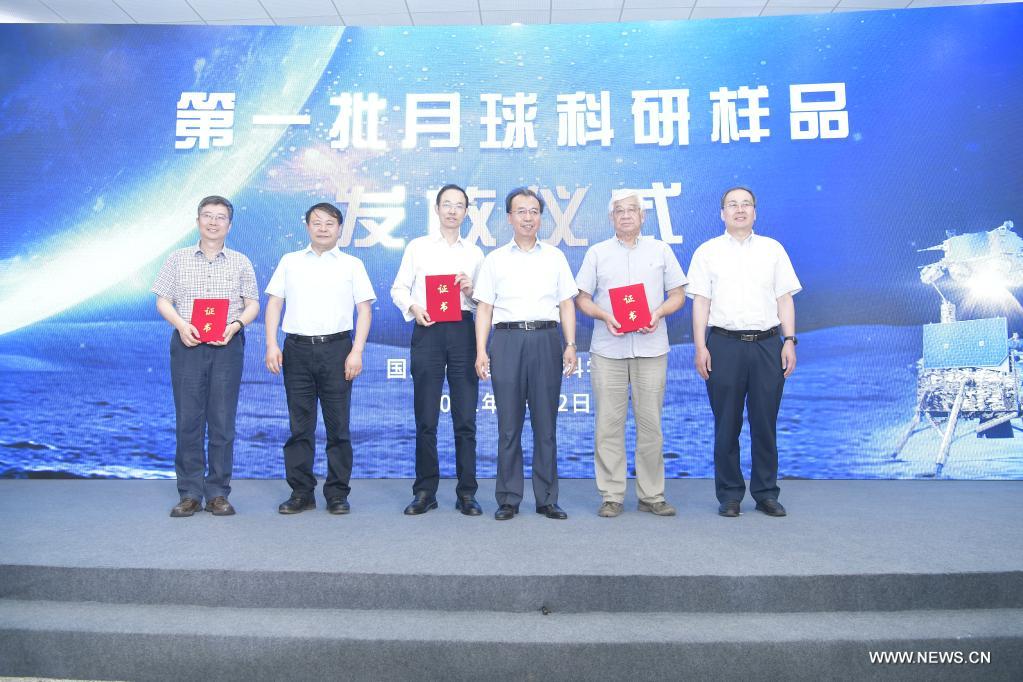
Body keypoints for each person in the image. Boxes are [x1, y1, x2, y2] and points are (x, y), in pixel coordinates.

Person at [687, 187, 800, 518]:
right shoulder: (707, 252)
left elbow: (784, 299)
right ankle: (730, 494)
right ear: (722, 213)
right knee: (727, 424)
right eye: (732, 205)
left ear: (755, 212)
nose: (739, 210)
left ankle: (766, 493)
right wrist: (700, 346)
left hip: (767, 345)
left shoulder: (772, 249)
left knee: (765, 423)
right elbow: (701, 303)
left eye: (746, 204)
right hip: (724, 345)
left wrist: (789, 340)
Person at [575, 189, 687, 518]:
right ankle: (611, 495)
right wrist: (604, 315)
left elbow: (678, 294)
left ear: (642, 216)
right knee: (608, 425)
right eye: (619, 211)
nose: (625, 215)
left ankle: (652, 495)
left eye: (631, 210)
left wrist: (658, 313)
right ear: (611, 217)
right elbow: (581, 298)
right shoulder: (597, 253)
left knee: (651, 425)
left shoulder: (660, 250)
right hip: (608, 351)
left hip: (651, 349)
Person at [474, 188, 578, 521]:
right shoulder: (495, 259)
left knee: (546, 425)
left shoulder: (555, 257)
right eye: (521, 211)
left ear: (541, 218)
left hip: (547, 339)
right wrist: (481, 350)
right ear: (509, 218)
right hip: (506, 341)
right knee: (509, 426)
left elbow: (566, 303)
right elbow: (485, 308)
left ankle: (547, 498)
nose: (528, 217)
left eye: (534, 211)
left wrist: (570, 344)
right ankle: (508, 498)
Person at [264, 202, 375, 515]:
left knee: (338, 427)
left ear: (339, 229)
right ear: (307, 226)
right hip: (296, 350)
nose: (323, 228)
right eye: (317, 222)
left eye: (329, 223)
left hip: (337, 350)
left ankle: (337, 494)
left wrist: (357, 351)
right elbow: (274, 304)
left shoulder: (352, 264)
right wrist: (271, 344)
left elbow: (364, 309)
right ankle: (301, 493)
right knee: (300, 427)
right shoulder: (290, 261)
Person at [153, 195, 259, 517]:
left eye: (220, 217)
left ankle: (217, 493)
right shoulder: (177, 259)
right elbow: (162, 299)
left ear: (230, 224)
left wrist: (236, 325)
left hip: (227, 346)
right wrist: (181, 325)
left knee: (223, 421)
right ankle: (189, 493)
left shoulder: (240, 261)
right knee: (188, 420)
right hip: (188, 345)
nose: (213, 222)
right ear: (198, 220)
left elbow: (252, 304)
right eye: (208, 215)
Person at [390, 184, 485, 516]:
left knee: (466, 418)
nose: (452, 211)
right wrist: (414, 307)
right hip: (427, 330)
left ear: (466, 212)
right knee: (426, 417)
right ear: (437, 208)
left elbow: (484, 303)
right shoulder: (418, 247)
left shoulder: (475, 253)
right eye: (447, 204)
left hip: (463, 331)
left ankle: (467, 493)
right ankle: (424, 491)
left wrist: (471, 291)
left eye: (459, 205)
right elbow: (398, 288)